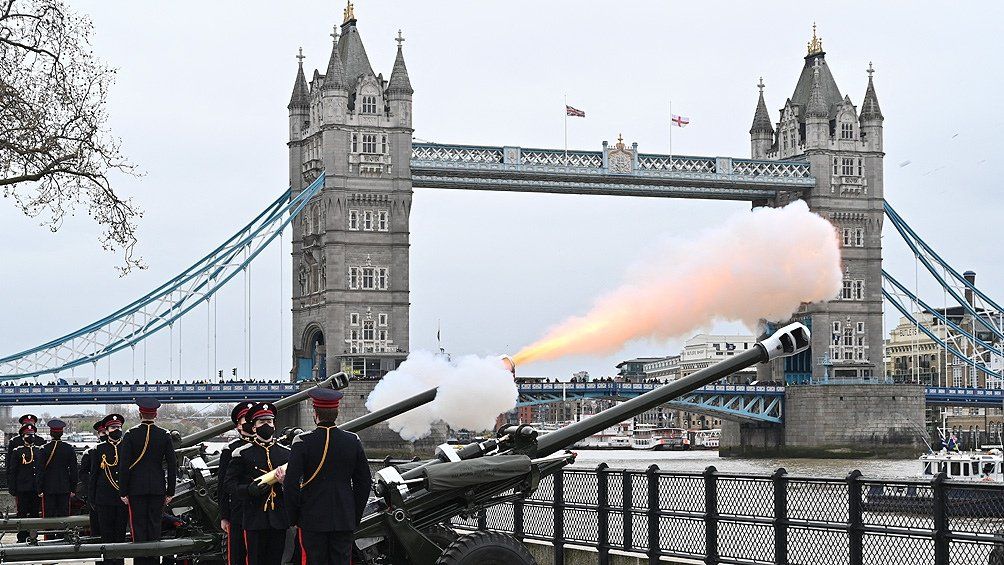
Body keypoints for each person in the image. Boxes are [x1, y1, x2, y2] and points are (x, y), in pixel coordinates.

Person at [283, 389, 371, 565]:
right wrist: (354, 516)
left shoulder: (302, 441)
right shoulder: (352, 440)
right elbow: (364, 482)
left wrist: (294, 517)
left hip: (311, 517)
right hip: (344, 518)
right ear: (336, 413)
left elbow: (291, 483)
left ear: (315, 413)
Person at [224, 402, 290, 565]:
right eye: (262, 422)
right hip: (255, 518)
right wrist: (248, 490)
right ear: (254, 427)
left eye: (269, 421)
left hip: (278, 519)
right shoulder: (242, 453)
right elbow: (229, 485)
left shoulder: (285, 453)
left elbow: (299, 485)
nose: (266, 425)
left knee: (275, 560)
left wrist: (284, 483)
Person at [118, 397, 177, 565]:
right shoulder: (164, 434)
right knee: (154, 527)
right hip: (158, 488)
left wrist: (123, 491)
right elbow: (172, 465)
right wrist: (170, 491)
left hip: (136, 489)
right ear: (155, 414)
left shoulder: (130, 434)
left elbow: (124, 466)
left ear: (140, 413)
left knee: (138, 529)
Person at [89, 414, 129, 565]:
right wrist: (92, 499)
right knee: (106, 535)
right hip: (104, 499)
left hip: (122, 498)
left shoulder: (127, 446)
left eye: (118, 427)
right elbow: (94, 475)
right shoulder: (99, 449)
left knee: (120, 536)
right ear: (106, 430)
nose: (116, 430)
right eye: (113, 428)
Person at [218, 401, 255, 565]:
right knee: (237, 555)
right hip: (239, 510)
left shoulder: (270, 447)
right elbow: (223, 485)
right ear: (238, 426)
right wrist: (224, 515)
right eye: (245, 420)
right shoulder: (231, 449)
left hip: (264, 510)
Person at [7, 423, 41, 542]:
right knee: (22, 513)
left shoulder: (38, 451)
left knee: (34, 513)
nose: (30, 436)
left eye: (32, 434)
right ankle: (21, 536)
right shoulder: (17, 451)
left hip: (35, 488)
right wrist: (12, 488)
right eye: (28, 434)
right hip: (22, 487)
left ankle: (33, 536)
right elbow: (13, 471)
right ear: (23, 436)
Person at [38, 419, 77, 522]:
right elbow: (74, 471)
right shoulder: (69, 449)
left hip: (48, 488)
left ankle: (50, 537)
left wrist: (40, 489)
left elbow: (40, 471)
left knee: (48, 517)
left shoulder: (44, 449)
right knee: (63, 517)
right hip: (64, 487)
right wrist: (73, 488)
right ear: (62, 433)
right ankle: (62, 536)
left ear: (50, 433)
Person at [79, 419, 108, 537]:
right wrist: (94, 483)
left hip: (115, 492)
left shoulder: (121, 450)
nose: (105, 435)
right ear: (98, 434)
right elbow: (83, 473)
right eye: (102, 433)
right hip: (97, 493)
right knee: (97, 524)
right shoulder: (90, 452)